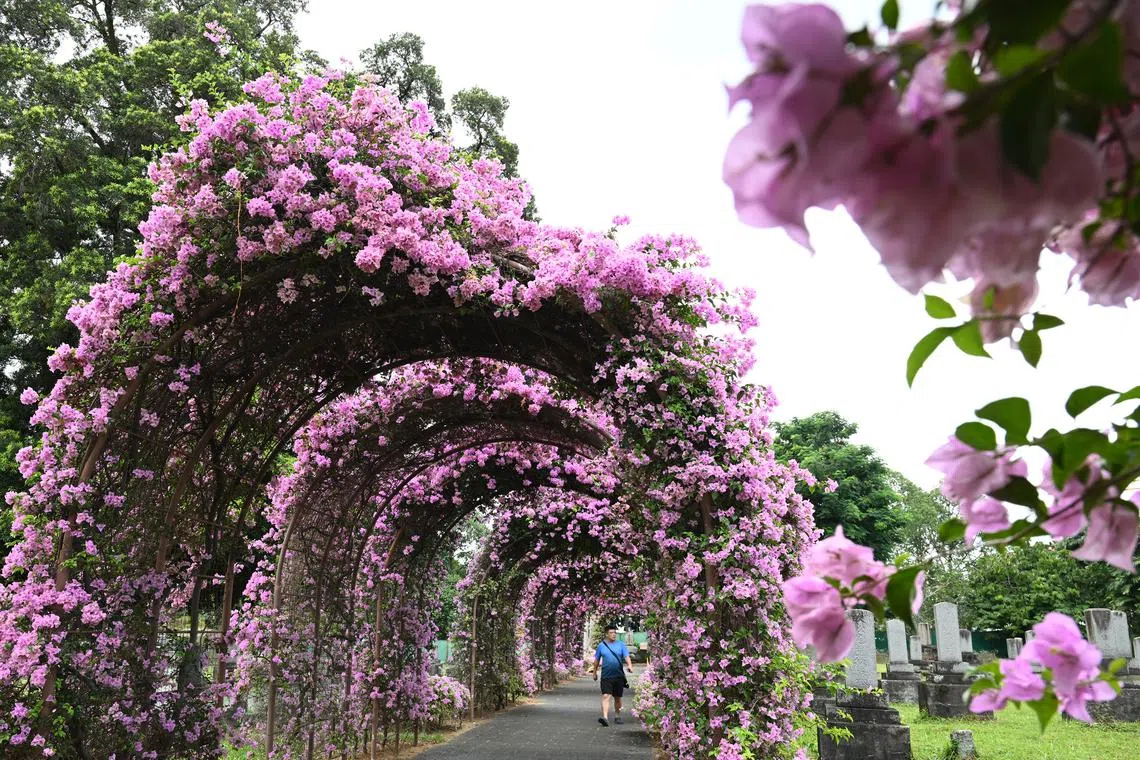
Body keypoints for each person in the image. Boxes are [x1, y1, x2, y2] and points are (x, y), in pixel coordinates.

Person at [591, 624, 633, 727]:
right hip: (606, 675)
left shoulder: (621, 645)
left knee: (618, 697)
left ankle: (617, 716)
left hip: (618, 675)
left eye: (615, 633)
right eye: (611, 633)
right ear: (606, 634)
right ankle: (605, 718)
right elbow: (596, 660)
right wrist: (594, 672)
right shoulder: (601, 646)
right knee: (605, 696)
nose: (613, 634)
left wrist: (630, 665)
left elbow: (626, 656)